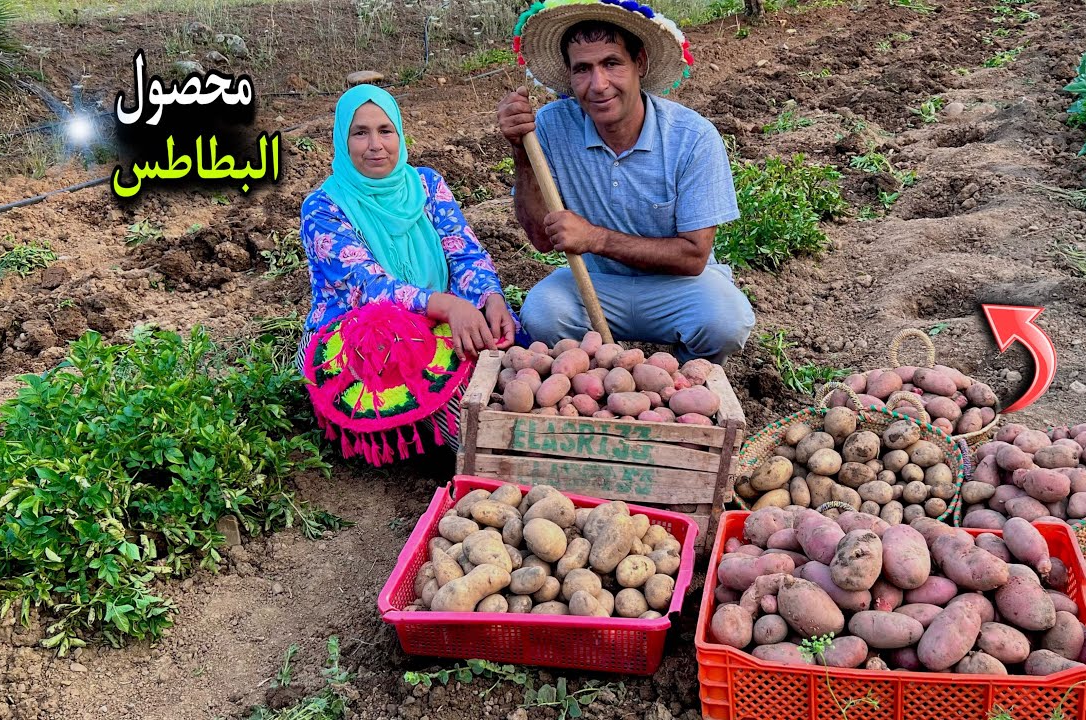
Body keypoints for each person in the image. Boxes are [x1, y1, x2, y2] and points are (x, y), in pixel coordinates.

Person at [497, 0, 755, 364]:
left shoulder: (692, 137)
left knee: (725, 320)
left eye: (611, 63)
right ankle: (591, 368)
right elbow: (541, 239)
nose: (598, 84)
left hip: (678, 286)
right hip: (597, 285)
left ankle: (689, 373)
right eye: (583, 69)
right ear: (570, 77)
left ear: (640, 64)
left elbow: (694, 256)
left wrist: (595, 238)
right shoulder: (551, 127)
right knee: (541, 312)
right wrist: (521, 150)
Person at [298, 84, 519, 464]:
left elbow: (464, 252)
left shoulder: (427, 185)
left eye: (385, 131)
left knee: (509, 347)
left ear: (400, 134)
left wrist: (490, 297)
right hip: (363, 333)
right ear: (341, 140)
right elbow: (369, 288)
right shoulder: (323, 206)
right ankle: (473, 456)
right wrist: (447, 306)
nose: (375, 145)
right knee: (441, 392)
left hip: (440, 313)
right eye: (359, 133)